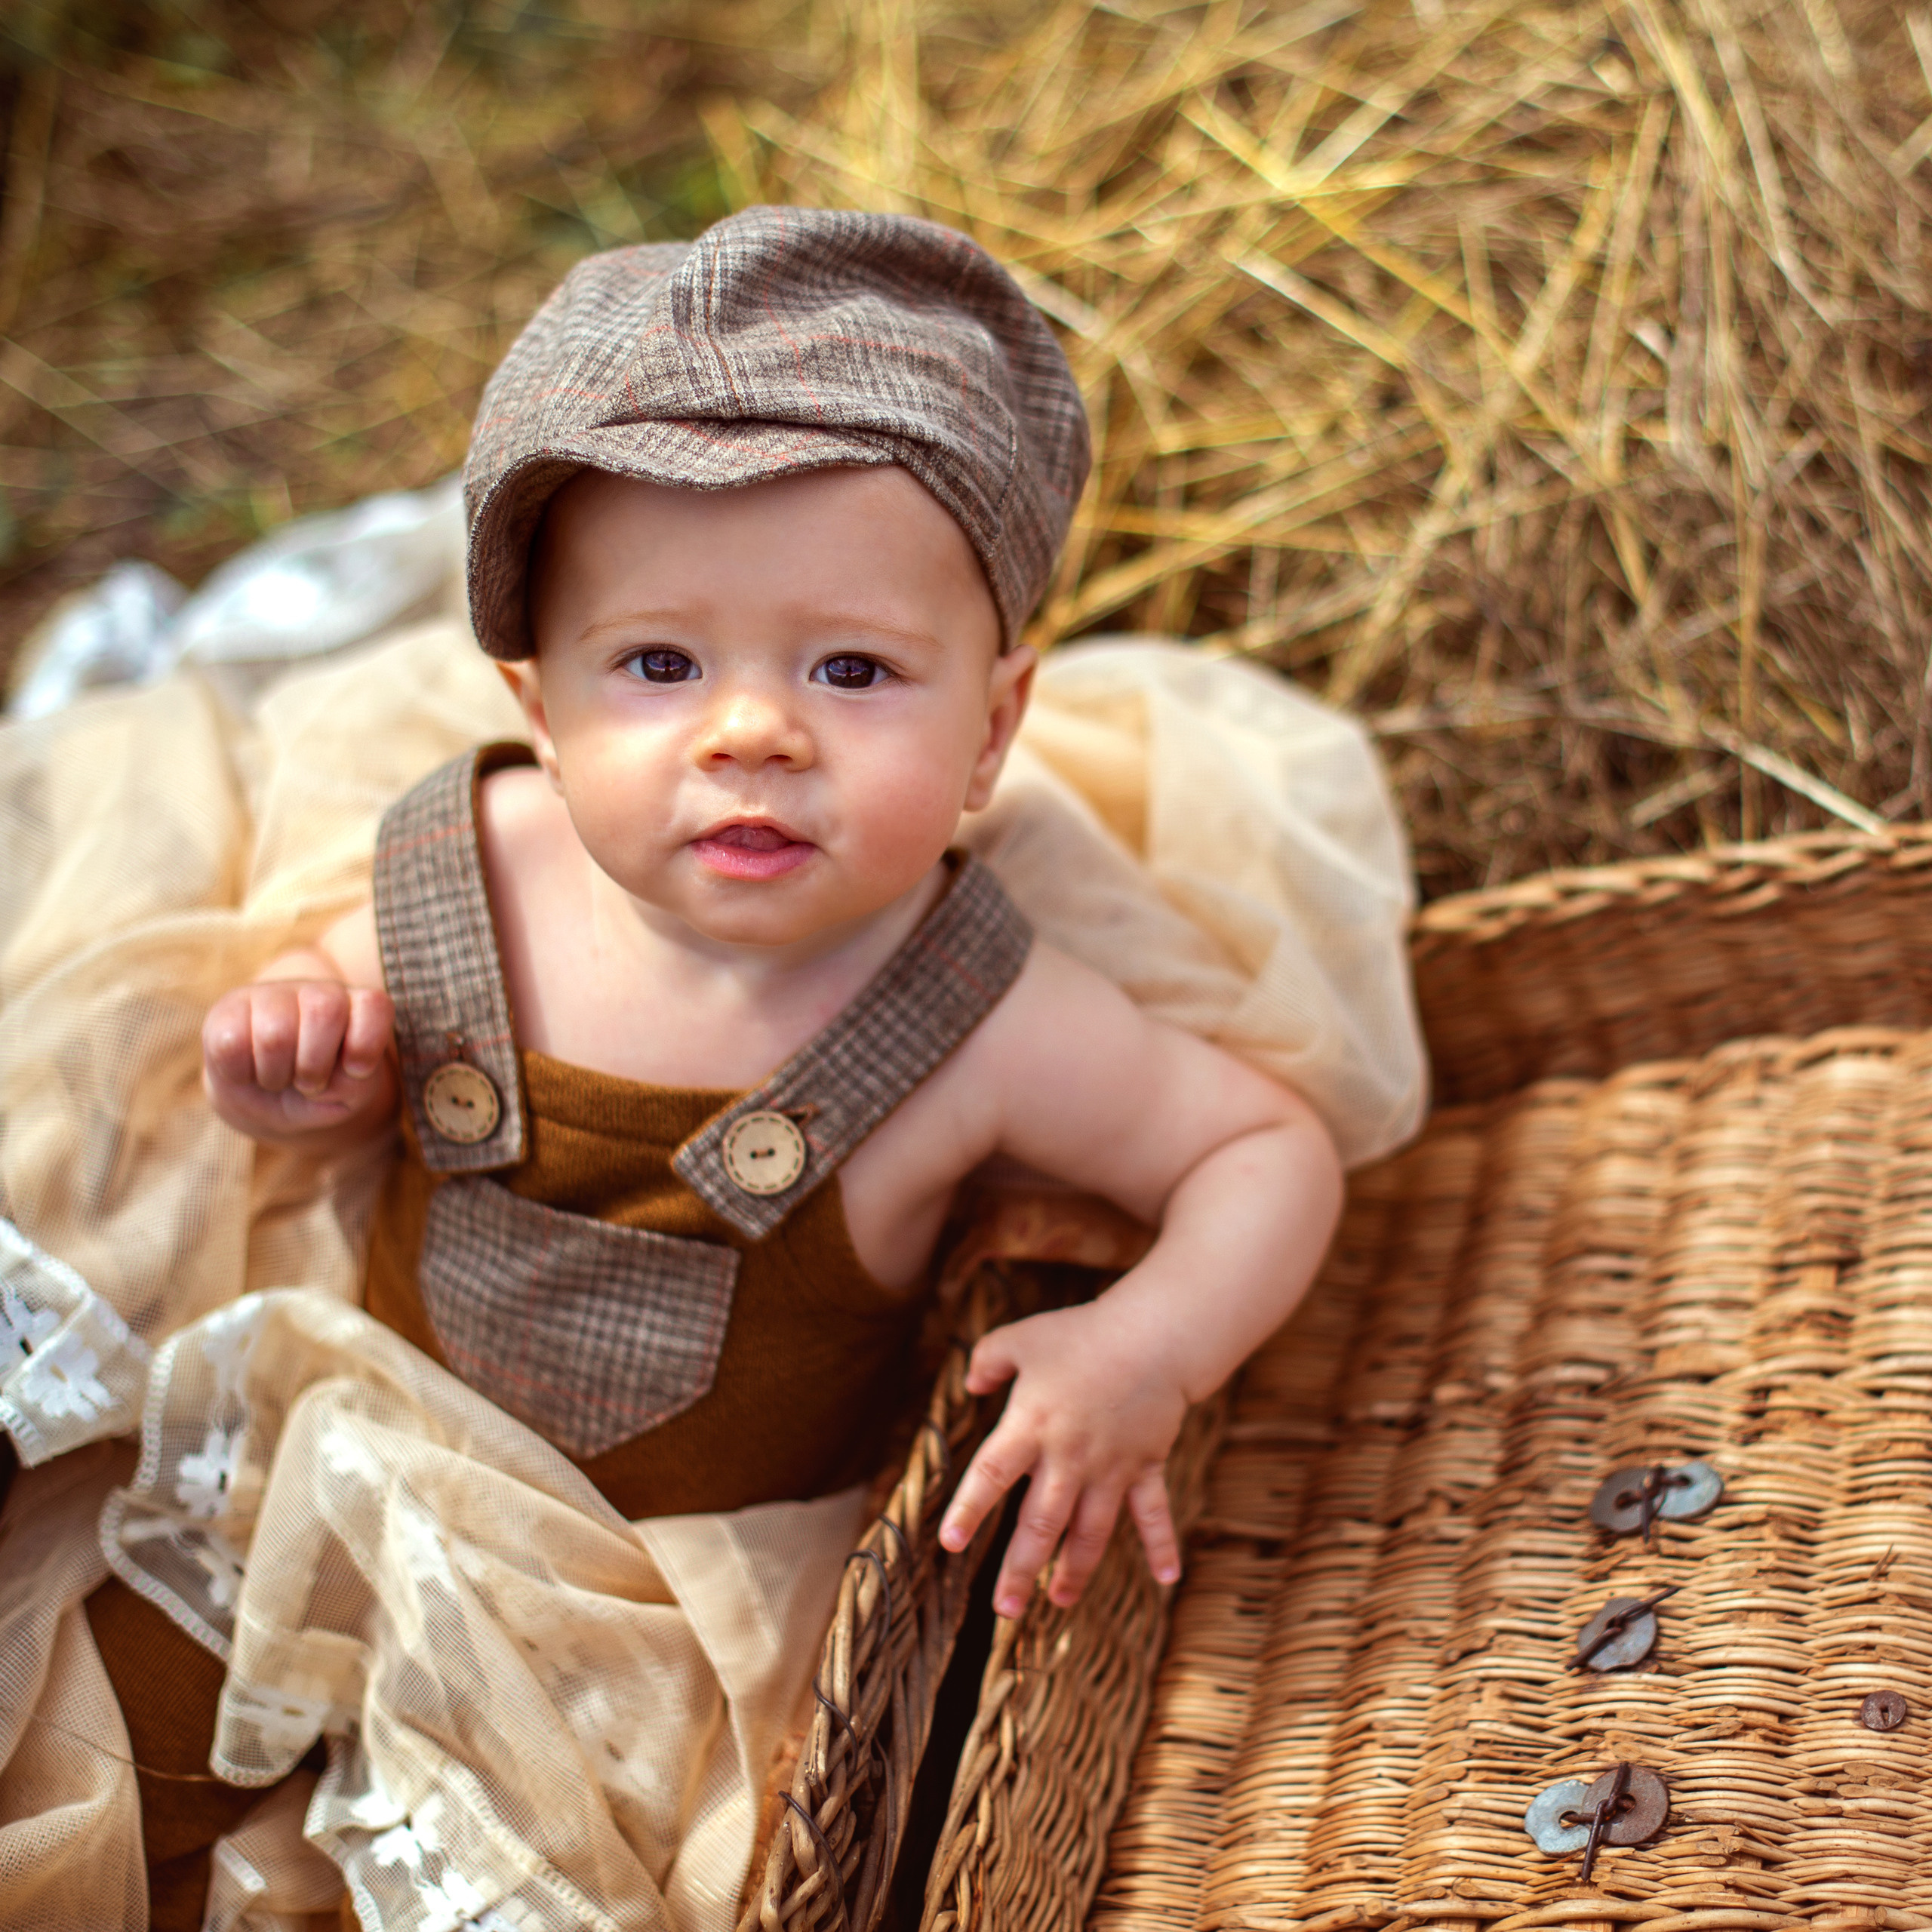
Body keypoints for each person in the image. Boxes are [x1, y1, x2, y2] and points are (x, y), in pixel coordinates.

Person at [58, 206, 1370, 1931]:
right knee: (111, 1750)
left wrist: (1151, 1343)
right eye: (659, 664)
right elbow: (326, 1039)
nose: (750, 730)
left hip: (665, 1626)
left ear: (988, 728)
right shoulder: (478, 865)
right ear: (540, 705)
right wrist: (301, 1053)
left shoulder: (978, 1011)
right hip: (350, 1469)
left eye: (852, 668)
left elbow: (1261, 1147)